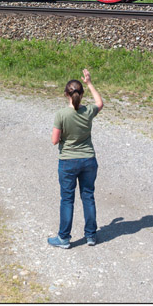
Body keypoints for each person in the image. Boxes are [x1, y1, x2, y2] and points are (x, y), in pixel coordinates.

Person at [48, 67, 104, 249]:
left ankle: (64, 238)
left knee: (67, 199)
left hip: (68, 161)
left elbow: (55, 141)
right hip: (88, 159)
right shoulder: (88, 111)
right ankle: (91, 236)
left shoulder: (61, 115)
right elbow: (100, 102)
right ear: (82, 94)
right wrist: (90, 82)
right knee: (88, 196)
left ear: (66, 94)